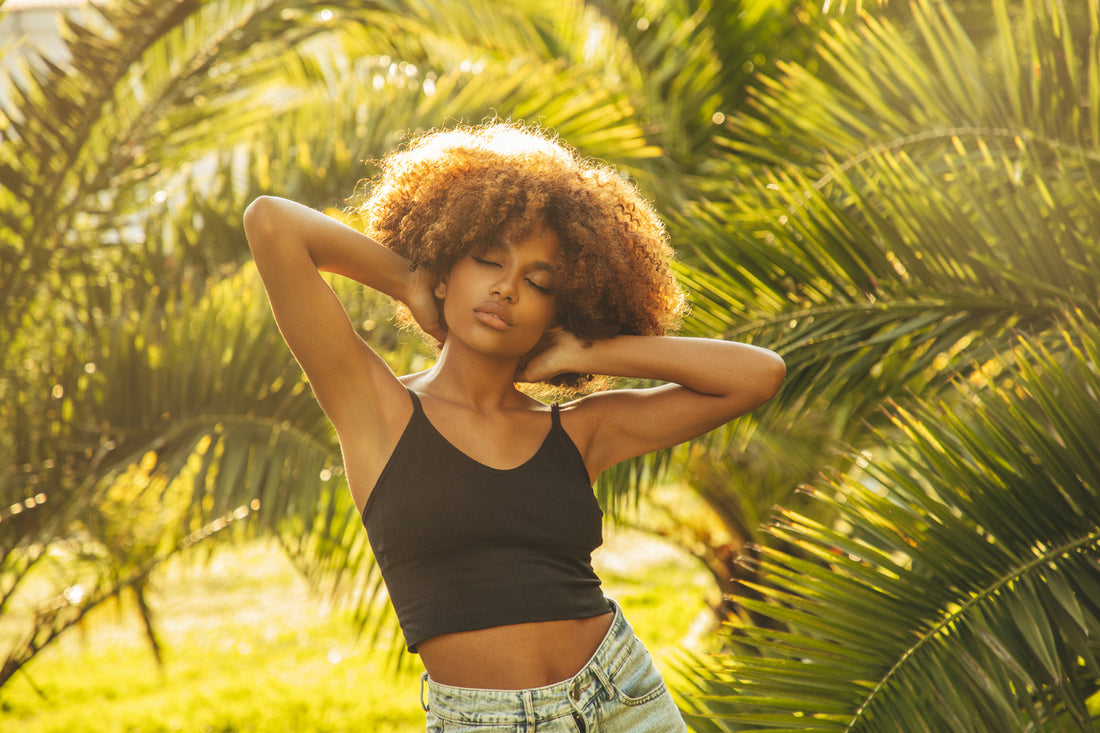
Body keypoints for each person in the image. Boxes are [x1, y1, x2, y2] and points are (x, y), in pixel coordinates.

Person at [243, 121, 785, 732]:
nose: (506, 288)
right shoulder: (377, 410)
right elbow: (271, 224)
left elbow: (757, 376)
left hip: (622, 697)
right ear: (448, 261)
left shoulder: (580, 432)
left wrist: (588, 351)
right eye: (487, 260)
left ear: (563, 306)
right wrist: (412, 281)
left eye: (538, 282)